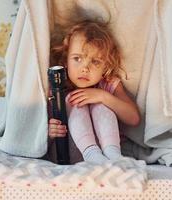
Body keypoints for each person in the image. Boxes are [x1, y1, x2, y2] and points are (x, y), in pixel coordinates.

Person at [48, 20, 140, 164]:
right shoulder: (58, 85)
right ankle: (92, 154)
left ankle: (114, 155)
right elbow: (39, 123)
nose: (85, 68)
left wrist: (103, 97)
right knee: (73, 101)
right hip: (72, 153)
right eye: (77, 58)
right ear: (66, 61)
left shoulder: (108, 84)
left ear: (105, 66)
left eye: (95, 62)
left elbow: (134, 118)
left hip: (108, 154)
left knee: (101, 106)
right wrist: (50, 131)